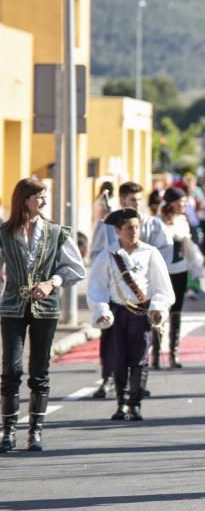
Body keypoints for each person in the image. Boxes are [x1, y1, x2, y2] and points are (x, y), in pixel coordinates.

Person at [0, 179, 86, 452]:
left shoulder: (56, 232)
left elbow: (75, 269)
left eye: (44, 196)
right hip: (12, 305)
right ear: (24, 199)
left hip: (46, 308)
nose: (44, 202)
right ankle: (8, 431)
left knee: (40, 370)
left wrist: (51, 283)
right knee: (11, 369)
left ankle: (35, 431)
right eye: (39, 197)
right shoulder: (4, 232)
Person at [87, 209, 174, 421]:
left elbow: (162, 286)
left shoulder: (150, 252)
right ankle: (121, 404)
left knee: (140, 359)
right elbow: (96, 287)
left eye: (136, 227)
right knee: (118, 359)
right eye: (129, 228)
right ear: (118, 230)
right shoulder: (107, 255)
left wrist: (157, 308)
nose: (134, 232)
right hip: (117, 314)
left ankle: (134, 404)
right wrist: (102, 311)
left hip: (141, 314)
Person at [155, 187, 204, 370]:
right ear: (169, 203)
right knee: (159, 309)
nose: (183, 205)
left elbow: (188, 243)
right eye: (180, 202)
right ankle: (156, 354)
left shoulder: (183, 220)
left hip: (180, 269)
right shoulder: (157, 222)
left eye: (184, 202)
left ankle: (174, 352)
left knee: (176, 311)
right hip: (162, 271)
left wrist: (195, 264)